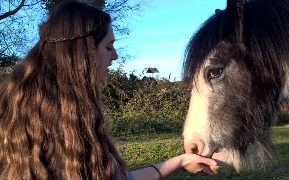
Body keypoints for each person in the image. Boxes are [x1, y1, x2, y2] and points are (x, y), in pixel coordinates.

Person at [0, 1, 218, 180]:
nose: (115, 56)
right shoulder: (67, 118)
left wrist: (178, 162)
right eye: (108, 47)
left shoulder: (23, 106)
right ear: (82, 52)